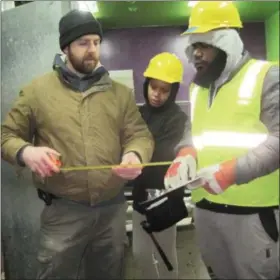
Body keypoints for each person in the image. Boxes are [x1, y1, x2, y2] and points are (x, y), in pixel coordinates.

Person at [1, 9, 154, 280]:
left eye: (96, 42)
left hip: (112, 211)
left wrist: (134, 154)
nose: (92, 50)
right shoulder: (37, 92)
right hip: (63, 213)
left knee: (111, 273)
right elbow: (6, 136)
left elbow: (139, 134)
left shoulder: (119, 94)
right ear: (66, 47)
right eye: (84, 43)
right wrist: (27, 152)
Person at [164, 2, 279, 279]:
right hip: (206, 212)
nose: (197, 54)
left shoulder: (266, 76)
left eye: (204, 45)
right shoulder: (198, 87)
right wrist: (186, 151)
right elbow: (194, 130)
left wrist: (232, 171)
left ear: (227, 40)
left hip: (253, 216)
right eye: (194, 46)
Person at [132, 52, 190, 279]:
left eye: (164, 90)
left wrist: (133, 155)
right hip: (140, 196)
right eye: (153, 87)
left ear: (173, 91)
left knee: (165, 256)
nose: (157, 94)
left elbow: (159, 153)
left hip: (166, 197)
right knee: (139, 253)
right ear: (146, 85)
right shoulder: (139, 114)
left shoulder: (178, 118)